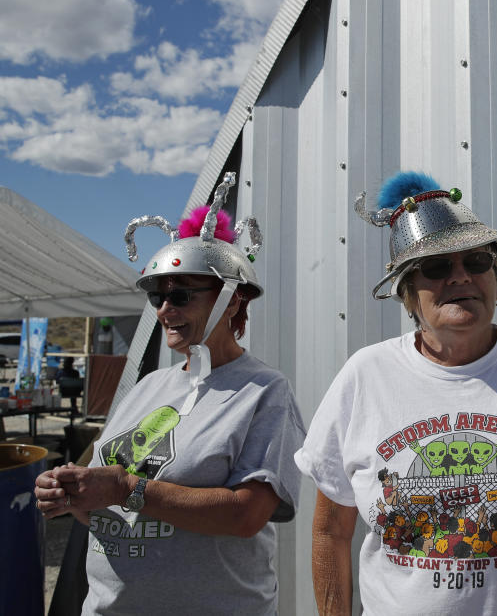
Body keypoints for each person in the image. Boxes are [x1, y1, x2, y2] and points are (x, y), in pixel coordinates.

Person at [295, 171, 497, 615]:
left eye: (476, 261)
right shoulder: (364, 377)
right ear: (408, 292)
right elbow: (330, 530)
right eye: (436, 267)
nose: (460, 277)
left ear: (496, 277)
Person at [34, 173, 306, 615]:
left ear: (231, 301)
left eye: (180, 296)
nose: (164, 310)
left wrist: (125, 486)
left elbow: (246, 516)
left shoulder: (263, 391)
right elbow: (108, 510)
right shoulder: (149, 386)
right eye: (157, 298)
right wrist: (73, 494)